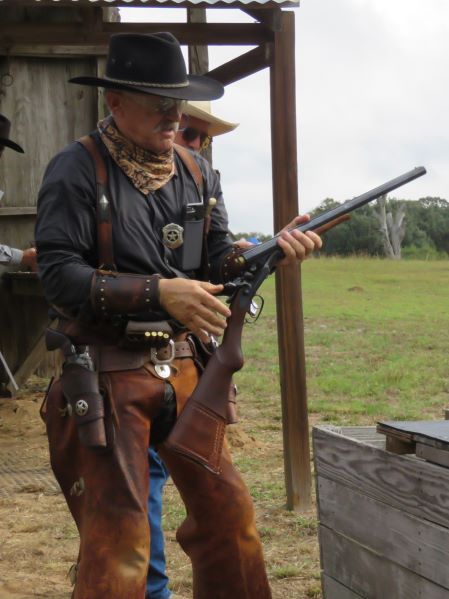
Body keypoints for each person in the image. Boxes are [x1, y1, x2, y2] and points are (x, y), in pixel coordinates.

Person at [35, 32, 322, 599]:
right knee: (120, 545)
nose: (174, 115)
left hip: (188, 369)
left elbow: (218, 261)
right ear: (116, 102)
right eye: (158, 102)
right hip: (108, 373)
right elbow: (58, 276)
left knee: (230, 519)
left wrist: (270, 251)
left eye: (177, 102)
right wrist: (159, 292)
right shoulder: (74, 168)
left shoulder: (197, 171)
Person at [146, 101, 239, 599]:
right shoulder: (96, 171)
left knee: (228, 509)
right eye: (188, 131)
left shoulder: (203, 178)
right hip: (118, 360)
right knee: (134, 499)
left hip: (185, 359)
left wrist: (256, 254)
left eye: (203, 137)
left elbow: (218, 257)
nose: (195, 144)